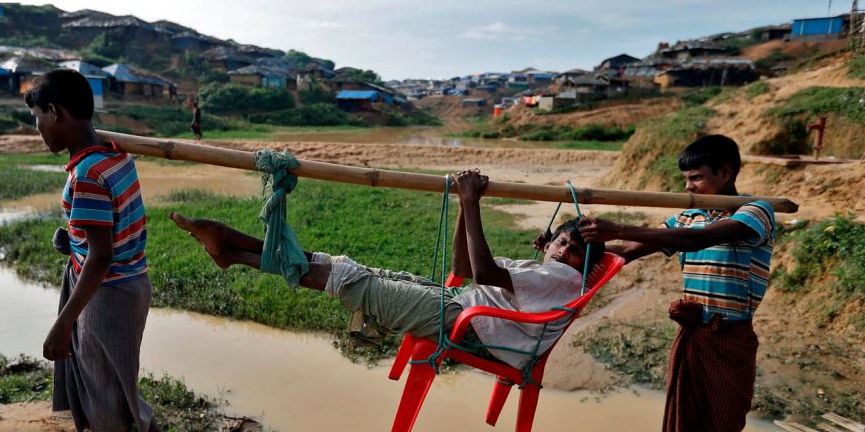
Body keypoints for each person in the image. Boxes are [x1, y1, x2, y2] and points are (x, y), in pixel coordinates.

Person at [169, 170, 604, 369]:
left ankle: (238, 251)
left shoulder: (564, 278)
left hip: (469, 324)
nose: (562, 251)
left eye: (572, 250)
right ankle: (238, 252)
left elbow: (486, 274)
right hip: (463, 306)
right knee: (343, 267)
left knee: (351, 281)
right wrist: (461, 207)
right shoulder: (550, 271)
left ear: (582, 264)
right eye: (561, 241)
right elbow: (462, 267)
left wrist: (472, 202)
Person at [577, 134, 774, 432]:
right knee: (680, 430)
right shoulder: (689, 215)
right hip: (693, 336)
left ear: (726, 172)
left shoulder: (756, 212)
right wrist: (576, 247)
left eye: (699, 178)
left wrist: (620, 227)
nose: (691, 187)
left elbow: (699, 240)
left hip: (731, 339)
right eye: (686, 180)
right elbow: (627, 252)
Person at [25, 69, 188, 432]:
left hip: (109, 291)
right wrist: (71, 239)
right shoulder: (113, 155)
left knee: (104, 384)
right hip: (124, 282)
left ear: (56, 113)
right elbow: (100, 235)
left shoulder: (90, 174)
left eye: (38, 118)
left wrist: (62, 325)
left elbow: (101, 256)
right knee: (113, 378)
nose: (38, 129)